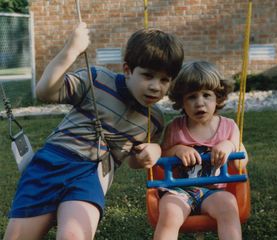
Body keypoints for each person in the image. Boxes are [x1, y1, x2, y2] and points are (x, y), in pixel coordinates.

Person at [4, 22, 184, 240]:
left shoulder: (153, 119)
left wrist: (153, 150)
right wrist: (71, 50)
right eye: (148, 76)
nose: (156, 86)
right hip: (50, 165)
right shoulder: (97, 79)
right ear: (127, 70)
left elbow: (133, 161)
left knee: (73, 236)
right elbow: (44, 92)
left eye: (165, 80)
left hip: (90, 175)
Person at [153, 60, 248, 240]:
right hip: (179, 191)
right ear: (181, 101)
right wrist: (177, 150)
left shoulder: (229, 127)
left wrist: (229, 145)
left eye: (206, 95)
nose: (199, 103)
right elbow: (161, 158)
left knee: (228, 206)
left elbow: (241, 163)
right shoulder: (175, 128)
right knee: (170, 212)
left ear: (218, 97)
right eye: (192, 97)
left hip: (214, 191)